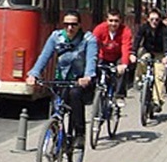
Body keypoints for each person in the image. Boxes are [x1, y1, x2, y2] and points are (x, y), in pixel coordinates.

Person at [26, 10, 98, 148]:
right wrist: (34, 74)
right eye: (66, 24)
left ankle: (79, 134)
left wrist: (88, 76)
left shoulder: (88, 39)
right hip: (61, 79)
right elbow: (44, 57)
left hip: (79, 81)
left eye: (73, 24)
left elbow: (91, 59)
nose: (70, 28)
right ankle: (55, 138)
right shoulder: (56, 37)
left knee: (75, 95)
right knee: (56, 106)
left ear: (79, 25)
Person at [130, 7, 167, 112]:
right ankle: (139, 79)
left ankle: (157, 101)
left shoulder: (164, 29)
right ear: (148, 19)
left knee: (159, 75)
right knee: (142, 60)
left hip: (159, 53)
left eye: (157, 19)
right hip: (147, 50)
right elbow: (138, 39)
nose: (154, 22)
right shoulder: (143, 28)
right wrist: (133, 53)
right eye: (152, 19)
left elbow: (166, 42)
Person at [91, 8, 132, 108]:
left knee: (122, 71)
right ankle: (97, 94)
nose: (113, 24)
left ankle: (119, 96)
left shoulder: (125, 31)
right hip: (103, 56)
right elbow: (92, 44)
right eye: (111, 20)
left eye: (116, 21)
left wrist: (124, 64)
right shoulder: (99, 29)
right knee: (95, 70)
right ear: (106, 20)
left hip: (118, 57)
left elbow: (126, 47)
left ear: (120, 21)